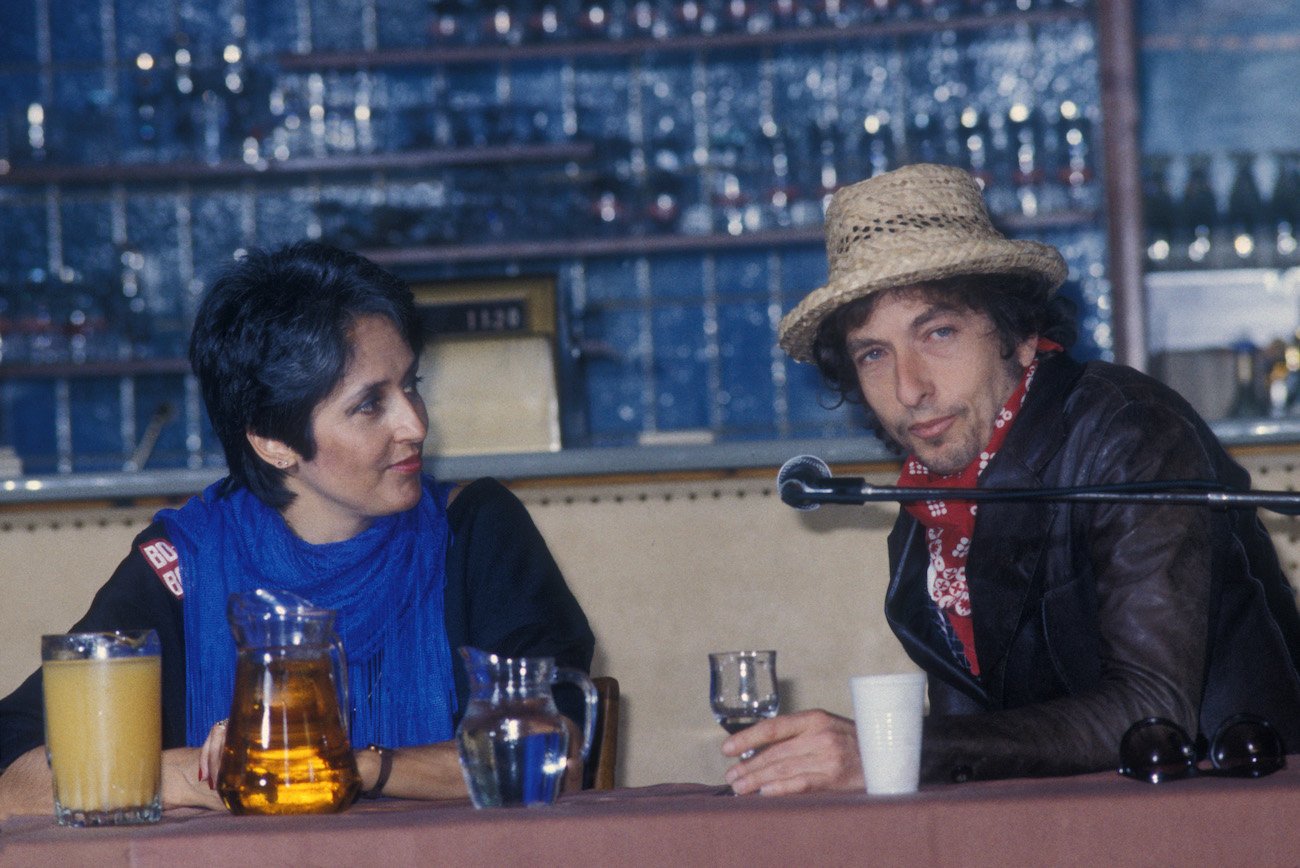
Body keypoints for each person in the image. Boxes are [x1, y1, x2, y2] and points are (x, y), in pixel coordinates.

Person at [721, 163, 1300, 794]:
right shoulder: (929, 512)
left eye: (938, 332)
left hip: (1232, 814)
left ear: (1021, 337)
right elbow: (977, 753)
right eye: (874, 354)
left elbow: (1151, 709)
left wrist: (892, 750)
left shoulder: (1129, 434)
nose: (909, 388)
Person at [0, 241, 594, 817]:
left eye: (411, 385)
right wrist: (191, 775)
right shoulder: (183, 564)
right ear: (274, 441)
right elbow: (13, 776)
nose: (414, 423)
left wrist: (339, 766)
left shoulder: (477, 532)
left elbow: (554, 756)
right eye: (369, 405)